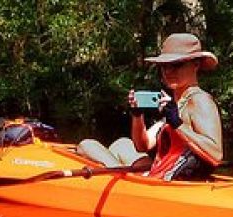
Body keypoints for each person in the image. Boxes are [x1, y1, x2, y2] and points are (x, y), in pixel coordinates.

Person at [78, 33, 223, 181]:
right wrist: (137, 115)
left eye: (176, 65)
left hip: (168, 182)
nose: (168, 72)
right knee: (121, 144)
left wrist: (177, 124)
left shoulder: (200, 100)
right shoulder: (175, 102)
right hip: (161, 171)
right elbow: (143, 145)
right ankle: (124, 177)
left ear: (196, 64)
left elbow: (215, 154)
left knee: (86, 145)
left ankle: (123, 181)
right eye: (164, 66)